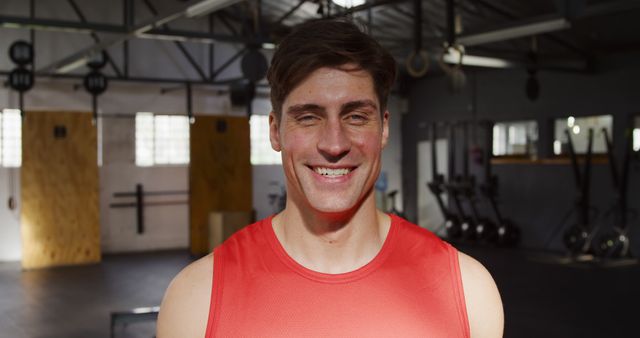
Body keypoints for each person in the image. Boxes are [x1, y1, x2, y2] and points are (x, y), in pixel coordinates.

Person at [157, 18, 503, 338]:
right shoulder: (195, 300)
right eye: (308, 118)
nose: (334, 144)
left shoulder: (469, 292)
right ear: (275, 132)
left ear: (384, 127)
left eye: (355, 116)